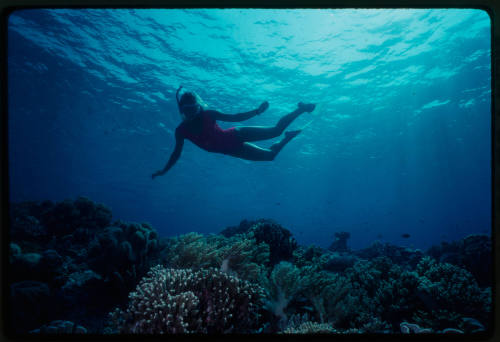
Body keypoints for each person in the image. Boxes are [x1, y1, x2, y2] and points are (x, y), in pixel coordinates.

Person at [152, 86, 315, 179]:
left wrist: (257, 111)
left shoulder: (209, 114)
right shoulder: (181, 131)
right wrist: (164, 170)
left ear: (199, 106)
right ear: (181, 111)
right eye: (187, 111)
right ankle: (287, 138)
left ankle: (301, 109)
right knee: (270, 156)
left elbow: (235, 117)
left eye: (194, 109)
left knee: (275, 131)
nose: (192, 114)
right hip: (233, 150)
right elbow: (176, 153)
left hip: (236, 134)